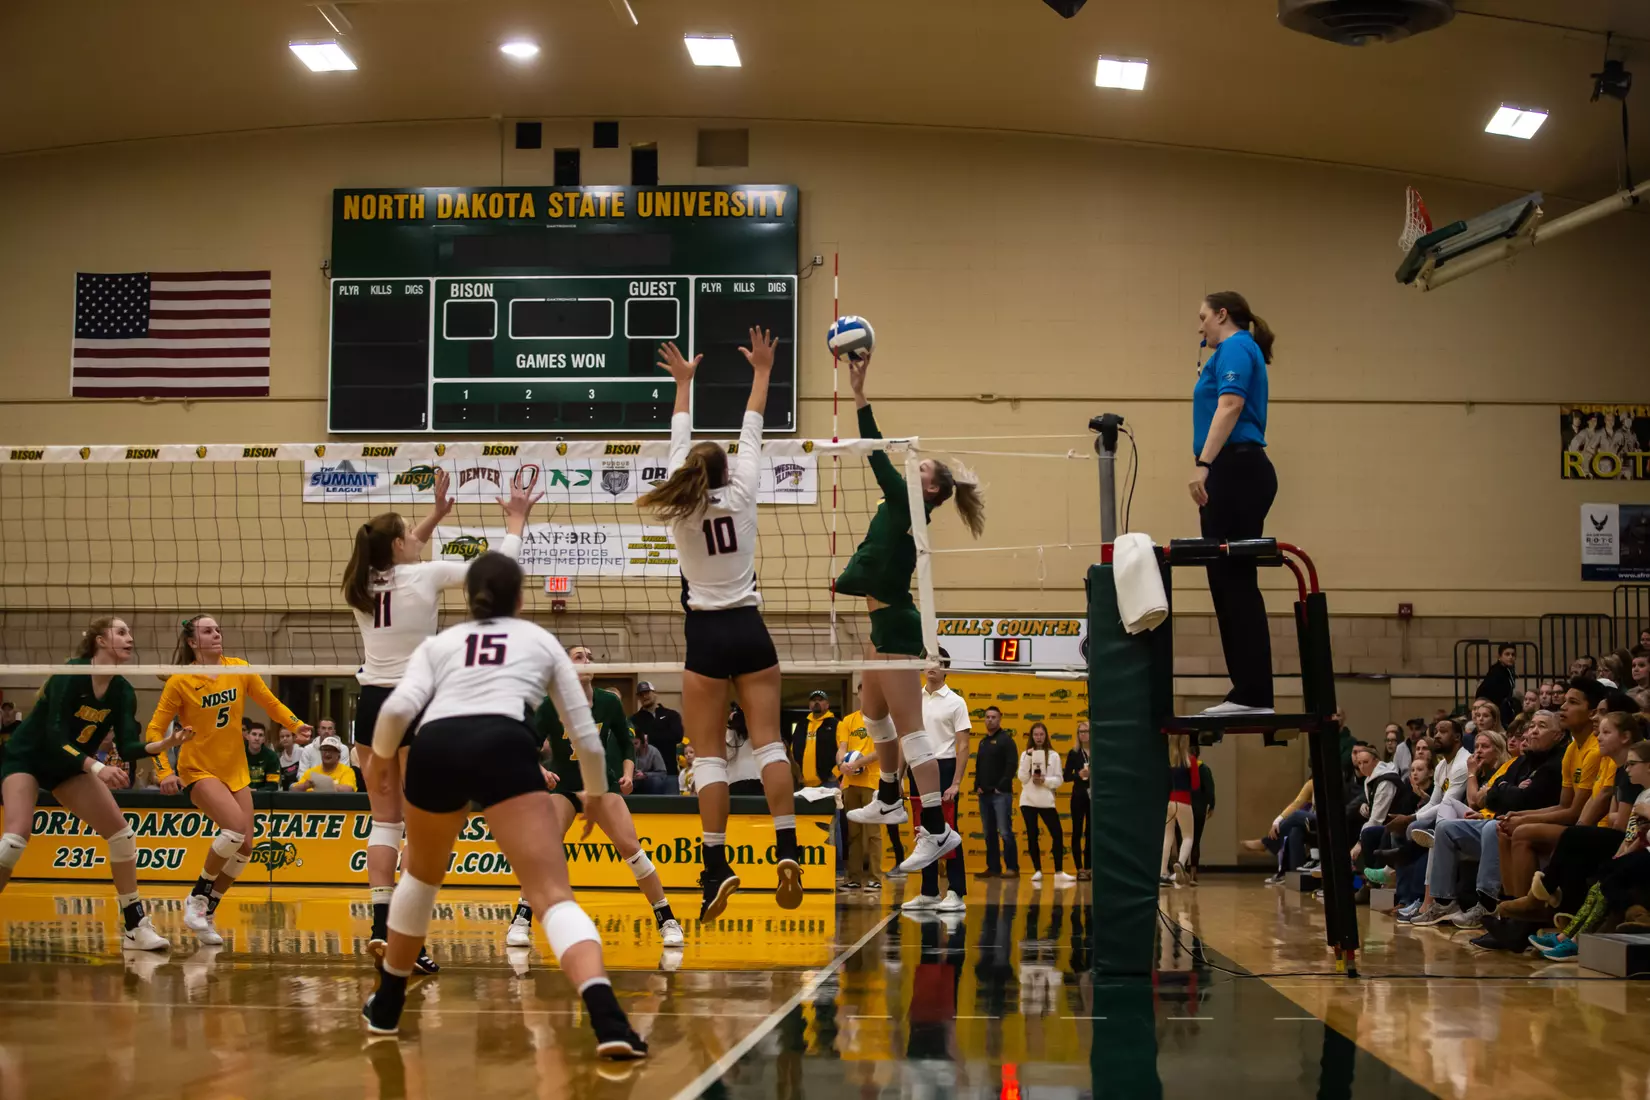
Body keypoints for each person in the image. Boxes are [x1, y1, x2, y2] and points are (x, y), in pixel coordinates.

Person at [359, 553, 647, 1059]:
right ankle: (609, 1020)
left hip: (436, 746)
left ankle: (387, 1004)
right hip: (502, 742)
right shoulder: (539, 640)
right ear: (520, 599)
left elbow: (399, 707)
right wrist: (596, 794)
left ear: (468, 598)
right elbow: (585, 736)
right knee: (552, 894)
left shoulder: (440, 644)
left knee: (420, 879)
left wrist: (382, 758)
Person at [636, 329, 802, 920]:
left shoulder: (680, 508)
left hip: (705, 634)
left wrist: (683, 383)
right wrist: (762, 371)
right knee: (769, 743)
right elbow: (753, 425)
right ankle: (788, 849)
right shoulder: (744, 490)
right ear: (727, 470)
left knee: (707, 757)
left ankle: (715, 866)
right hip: (750, 628)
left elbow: (679, 436)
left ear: (690, 472)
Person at [341, 470, 536, 970]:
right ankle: (408, 939)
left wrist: (434, 516)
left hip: (371, 707)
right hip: (416, 705)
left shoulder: (360, 582)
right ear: (398, 544)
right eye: (411, 533)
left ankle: (380, 926)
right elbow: (496, 572)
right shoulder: (424, 575)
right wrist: (516, 520)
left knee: (384, 822)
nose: (417, 538)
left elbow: (400, 554)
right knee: (419, 827)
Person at [838, 350, 984, 878]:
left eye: (920, 467)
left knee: (909, 730)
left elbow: (876, 456)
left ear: (930, 488)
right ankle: (889, 796)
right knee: (871, 711)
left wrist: (860, 395)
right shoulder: (902, 503)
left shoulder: (909, 501)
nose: (912, 465)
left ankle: (936, 828)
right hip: (881, 623)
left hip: (899, 622)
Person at [0, 617, 183, 950]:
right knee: (15, 838)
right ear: (100, 640)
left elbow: (127, 746)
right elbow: (55, 737)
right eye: (121, 632)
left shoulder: (123, 691)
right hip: (28, 758)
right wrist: (97, 768)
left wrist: (162, 745)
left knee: (122, 836)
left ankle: (135, 927)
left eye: (130, 633)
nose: (130, 638)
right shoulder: (70, 674)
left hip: (70, 767)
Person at [506, 644, 684, 952]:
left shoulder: (608, 702)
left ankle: (667, 919)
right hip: (565, 786)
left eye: (590, 657)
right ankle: (521, 920)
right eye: (579, 656)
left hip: (602, 786)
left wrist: (627, 773)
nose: (587, 660)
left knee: (631, 848)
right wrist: (540, 771)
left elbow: (627, 745)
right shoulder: (550, 705)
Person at [146, 614, 311, 946]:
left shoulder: (238, 668)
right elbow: (153, 730)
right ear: (193, 642)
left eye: (218, 629)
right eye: (208, 631)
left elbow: (269, 702)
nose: (217, 634)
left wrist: (295, 724)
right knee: (234, 829)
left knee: (246, 848)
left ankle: (208, 910)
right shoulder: (180, 681)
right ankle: (197, 897)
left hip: (234, 771)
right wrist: (164, 771)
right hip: (198, 769)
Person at [1189, 291, 1277, 716]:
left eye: (1203, 317)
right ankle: (1248, 690)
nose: (1200, 326)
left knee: (1234, 582)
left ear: (1222, 315)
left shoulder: (1237, 347)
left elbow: (1231, 405)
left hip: (1237, 469)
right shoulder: (1230, 351)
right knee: (1226, 583)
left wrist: (1203, 464)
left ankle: (1253, 694)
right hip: (1234, 471)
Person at [902, 658, 973, 912]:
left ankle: (956, 891)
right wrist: (899, 776)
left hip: (944, 767)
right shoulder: (913, 699)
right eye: (928, 661)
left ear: (946, 669)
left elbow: (963, 745)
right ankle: (929, 892)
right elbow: (905, 737)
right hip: (917, 766)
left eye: (938, 662)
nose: (932, 666)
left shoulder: (956, 702)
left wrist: (956, 782)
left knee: (948, 830)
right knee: (924, 833)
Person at [836, 681, 882, 891]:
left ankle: (875, 878)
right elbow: (842, 748)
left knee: (872, 833)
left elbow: (881, 750)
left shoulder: (882, 721)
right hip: (850, 782)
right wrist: (841, 764)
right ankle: (853, 878)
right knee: (853, 833)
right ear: (859, 694)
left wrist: (858, 763)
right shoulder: (848, 721)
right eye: (864, 692)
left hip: (872, 781)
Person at [1018, 722, 1072, 886]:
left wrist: (1045, 781)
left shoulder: (1054, 755)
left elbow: (1059, 780)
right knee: (1032, 834)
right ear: (1031, 736)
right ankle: (1037, 870)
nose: (1039, 738)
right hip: (1028, 800)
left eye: (1041, 734)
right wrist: (1028, 757)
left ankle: (1059, 871)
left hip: (1046, 801)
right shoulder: (1025, 754)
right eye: (1036, 734)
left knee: (1057, 834)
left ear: (1046, 736)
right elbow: (1022, 778)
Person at [973, 706, 1020, 880]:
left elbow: (1011, 765)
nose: (990, 720)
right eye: (987, 717)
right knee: (989, 833)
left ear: (1000, 719)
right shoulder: (983, 742)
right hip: (984, 795)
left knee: (1005, 832)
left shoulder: (1006, 740)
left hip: (1001, 794)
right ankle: (993, 868)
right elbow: (979, 766)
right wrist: (977, 785)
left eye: (993, 717)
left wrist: (1001, 786)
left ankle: (1012, 868)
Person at [1161, 734, 1198, 887]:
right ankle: (1180, 864)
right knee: (1188, 836)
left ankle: (1162, 873)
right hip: (1184, 801)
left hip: (1168, 802)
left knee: (1167, 837)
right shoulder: (1191, 760)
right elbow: (1195, 785)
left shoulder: (1166, 760)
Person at [631, 682, 684, 778]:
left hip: (670, 770)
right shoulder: (634, 720)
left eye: (647, 692)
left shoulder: (671, 715)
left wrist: (649, 737)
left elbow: (677, 736)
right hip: (644, 774)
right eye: (641, 695)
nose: (644, 696)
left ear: (655, 693)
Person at [788, 690, 839, 791]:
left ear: (827, 705)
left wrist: (836, 773)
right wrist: (797, 774)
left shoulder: (836, 724)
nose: (816, 702)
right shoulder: (801, 725)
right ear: (809, 705)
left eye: (820, 700)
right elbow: (792, 752)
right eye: (813, 700)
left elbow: (844, 750)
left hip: (828, 781)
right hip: (803, 783)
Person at [1066, 721, 1092, 881]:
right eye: (1080, 732)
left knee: (1090, 832)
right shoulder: (1074, 753)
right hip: (1078, 796)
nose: (1083, 734)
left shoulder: (1098, 752)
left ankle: (1089, 866)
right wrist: (1078, 775)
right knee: (1077, 831)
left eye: (1086, 731)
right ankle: (1079, 868)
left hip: (1093, 797)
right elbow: (1066, 776)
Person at [292, 736, 358, 792]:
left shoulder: (347, 771)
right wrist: (305, 786)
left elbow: (349, 789)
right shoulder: (311, 772)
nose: (327, 753)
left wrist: (324, 785)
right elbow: (293, 790)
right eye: (324, 750)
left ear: (338, 755)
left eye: (331, 750)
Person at [1474, 645, 1518, 723]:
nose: (1510, 657)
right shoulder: (1496, 672)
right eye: (1507, 654)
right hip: (1495, 711)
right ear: (1500, 656)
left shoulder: (1508, 670)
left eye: (1513, 654)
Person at [244, 723, 281, 791]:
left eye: (260, 735)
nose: (257, 738)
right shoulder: (239, 755)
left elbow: (273, 785)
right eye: (254, 734)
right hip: (241, 794)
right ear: (247, 736)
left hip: (263, 795)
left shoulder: (271, 756)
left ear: (264, 739)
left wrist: (254, 791)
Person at [632, 731, 670, 795]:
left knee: (656, 781)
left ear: (642, 743)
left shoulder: (653, 751)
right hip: (632, 781)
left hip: (648, 782)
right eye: (631, 744)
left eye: (636, 743)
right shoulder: (628, 751)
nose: (633, 747)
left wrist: (645, 775)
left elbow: (662, 773)